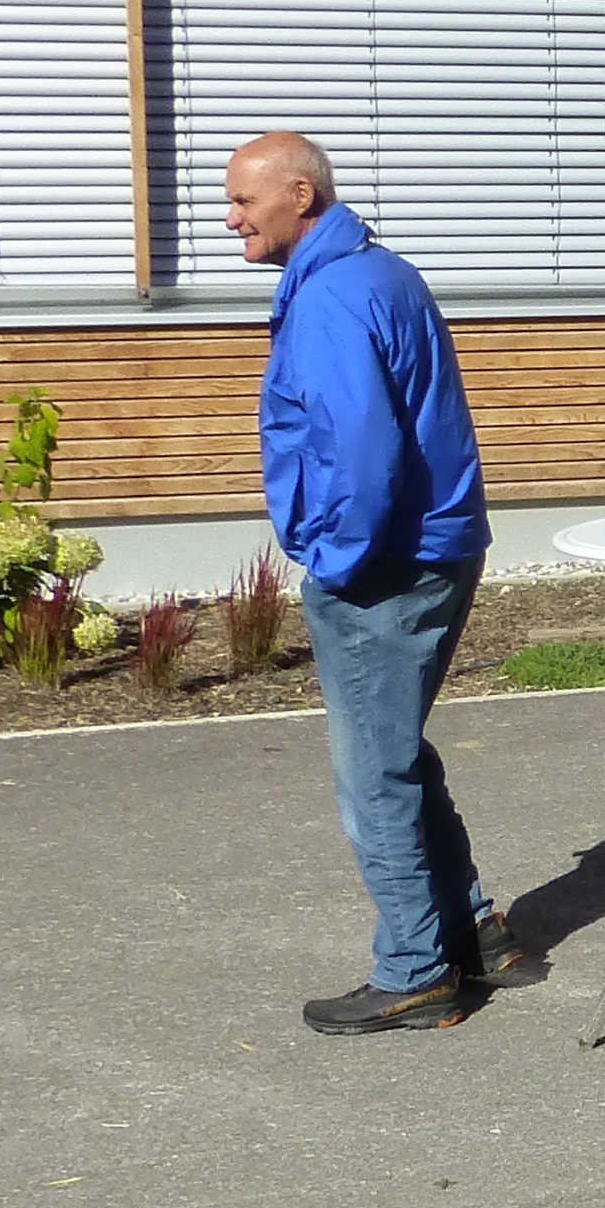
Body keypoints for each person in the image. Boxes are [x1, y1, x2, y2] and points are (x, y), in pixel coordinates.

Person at [228, 131, 538, 1035]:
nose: (231, 219)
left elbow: (362, 450)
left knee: (373, 772)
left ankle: (415, 970)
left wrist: (336, 558)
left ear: (300, 195)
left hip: (385, 564)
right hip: (434, 548)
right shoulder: (381, 273)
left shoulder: (332, 294)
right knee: (394, 750)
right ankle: (474, 933)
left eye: (244, 201)